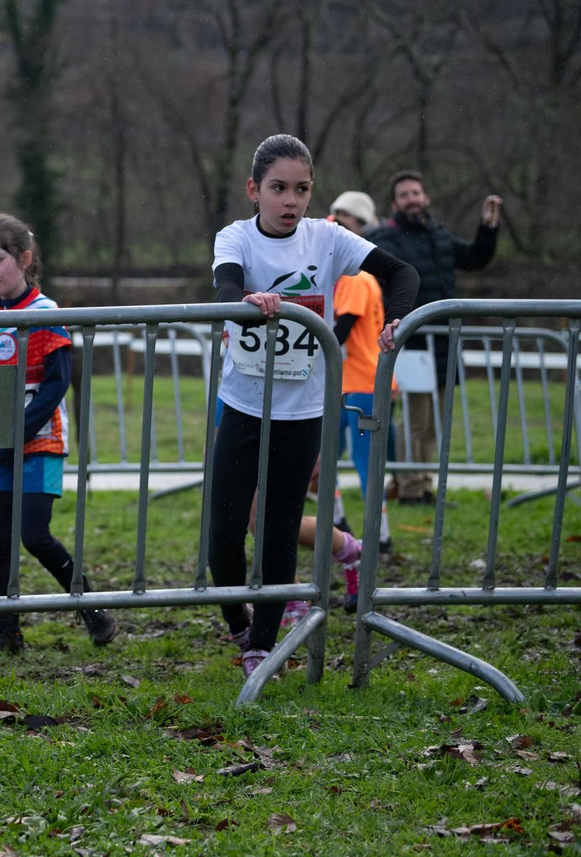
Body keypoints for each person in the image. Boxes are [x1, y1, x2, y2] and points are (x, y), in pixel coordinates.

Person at [210, 135, 417, 678]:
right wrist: (244, 301)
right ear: (255, 190)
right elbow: (225, 285)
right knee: (224, 536)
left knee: (278, 529)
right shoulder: (235, 237)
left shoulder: (328, 239)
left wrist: (396, 316)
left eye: (301, 190)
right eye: (278, 189)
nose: (290, 202)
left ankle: (262, 646)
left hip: (303, 413)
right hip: (243, 404)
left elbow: (402, 274)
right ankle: (238, 621)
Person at [0, 214, 118, 654]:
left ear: (24, 259)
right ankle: (8, 634)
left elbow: (55, 382)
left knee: (33, 533)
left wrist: (18, 432)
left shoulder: (46, 313)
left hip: (40, 442)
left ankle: (94, 611)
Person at [366, 171, 501, 505]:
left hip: (444, 341)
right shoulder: (387, 238)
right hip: (411, 340)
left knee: (436, 421)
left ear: (425, 197)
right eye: (404, 194)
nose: (412, 199)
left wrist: (487, 228)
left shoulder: (439, 236)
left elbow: (474, 259)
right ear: (395, 203)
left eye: (416, 192)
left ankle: (426, 486)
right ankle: (410, 489)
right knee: (415, 419)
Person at [328, 191, 393, 563]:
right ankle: (339, 522)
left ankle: (378, 536)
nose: (335, 223)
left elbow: (339, 331)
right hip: (349, 383)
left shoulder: (355, 275)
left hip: (361, 384)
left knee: (367, 465)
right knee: (327, 457)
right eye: (334, 216)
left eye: (345, 219)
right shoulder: (352, 273)